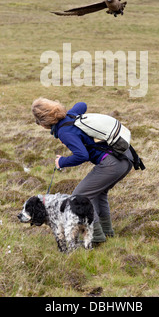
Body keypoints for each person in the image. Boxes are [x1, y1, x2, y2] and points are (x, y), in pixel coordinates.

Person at [31, 97, 133, 245]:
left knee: (80, 195)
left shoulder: (64, 132)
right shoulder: (71, 115)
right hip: (125, 157)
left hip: (112, 163)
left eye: (38, 121)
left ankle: (96, 237)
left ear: (45, 121)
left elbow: (82, 155)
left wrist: (62, 162)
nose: (38, 124)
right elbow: (82, 104)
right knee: (98, 193)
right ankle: (107, 232)